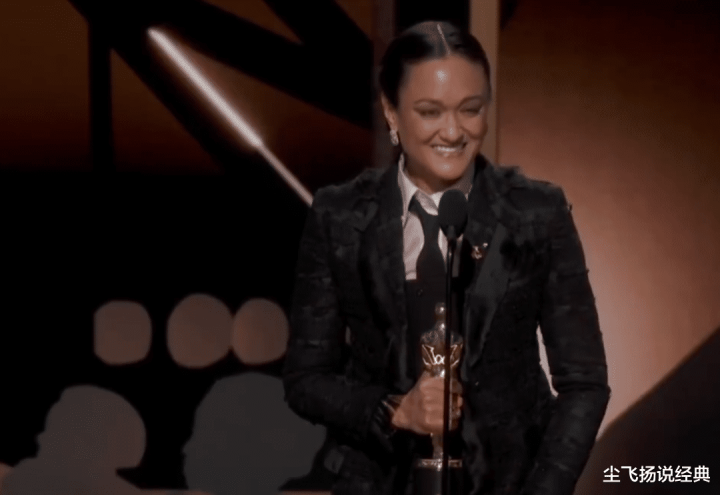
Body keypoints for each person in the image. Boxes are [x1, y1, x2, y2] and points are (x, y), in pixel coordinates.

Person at [282, 20, 610, 495]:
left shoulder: (536, 213)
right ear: (391, 112)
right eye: (430, 112)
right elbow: (306, 379)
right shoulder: (340, 216)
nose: (453, 131)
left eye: (470, 109)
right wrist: (394, 410)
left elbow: (585, 382)